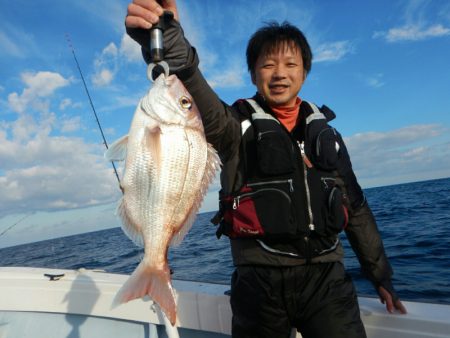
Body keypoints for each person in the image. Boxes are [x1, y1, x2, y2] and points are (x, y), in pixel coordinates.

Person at [125, 1, 407, 337]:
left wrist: (380, 276)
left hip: (327, 282)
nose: (279, 73)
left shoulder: (327, 136)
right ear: (254, 72)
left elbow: (356, 208)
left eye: (291, 64)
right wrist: (166, 35)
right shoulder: (233, 126)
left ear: (304, 71)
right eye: (268, 64)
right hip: (258, 285)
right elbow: (191, 83)